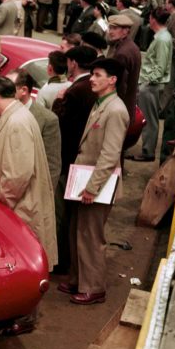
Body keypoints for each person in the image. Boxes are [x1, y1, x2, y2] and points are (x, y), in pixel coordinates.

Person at [0, 76, 57, 274]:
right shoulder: (17, 115)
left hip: (20, 207)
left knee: (22, 265)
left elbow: (16, 176)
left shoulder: (15, 123)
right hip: (19, 201)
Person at [59, 57, 129, 305]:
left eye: (98, 75)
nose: (92, 78)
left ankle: (94, 286)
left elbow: (110, 155)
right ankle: (79, 279)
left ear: (112, 80)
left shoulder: (116, 110)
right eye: (93, 74)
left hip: (97, 184)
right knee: (78, 230)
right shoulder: (102, 104)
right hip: (85, 180)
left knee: (91, 235)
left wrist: (92, 187)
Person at [51, 45, 99, 274]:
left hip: (69, 158)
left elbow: (60, 124)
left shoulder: (75, 90)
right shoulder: (91, 87)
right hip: (83, 159)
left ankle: (61, 260)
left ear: (73, 63)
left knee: (62, 213)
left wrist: (58, 101)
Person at [127, 7, 172, 162]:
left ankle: (148, 152)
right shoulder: (162, 37)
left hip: (151, 85)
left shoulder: (162, 39)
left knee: (149, 120)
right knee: (148, 119)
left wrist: (147, 81)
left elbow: (160, 66)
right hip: (150, 83)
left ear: (153, 19)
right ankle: (147, 150)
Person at [7, 69, 62, 186]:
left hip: (29, 189)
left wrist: (44, 196)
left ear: (23, 90)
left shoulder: (47, 119)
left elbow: (51, 164)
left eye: (8, 87)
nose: (2, 90)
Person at [105, 13, 141, 124]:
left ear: (126, 31)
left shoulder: (122, 53)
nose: (111, 31)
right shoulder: (132, 46)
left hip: (120, 108)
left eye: (115, 28)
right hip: (127, 105)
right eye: (110, 27)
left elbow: (120, 86)